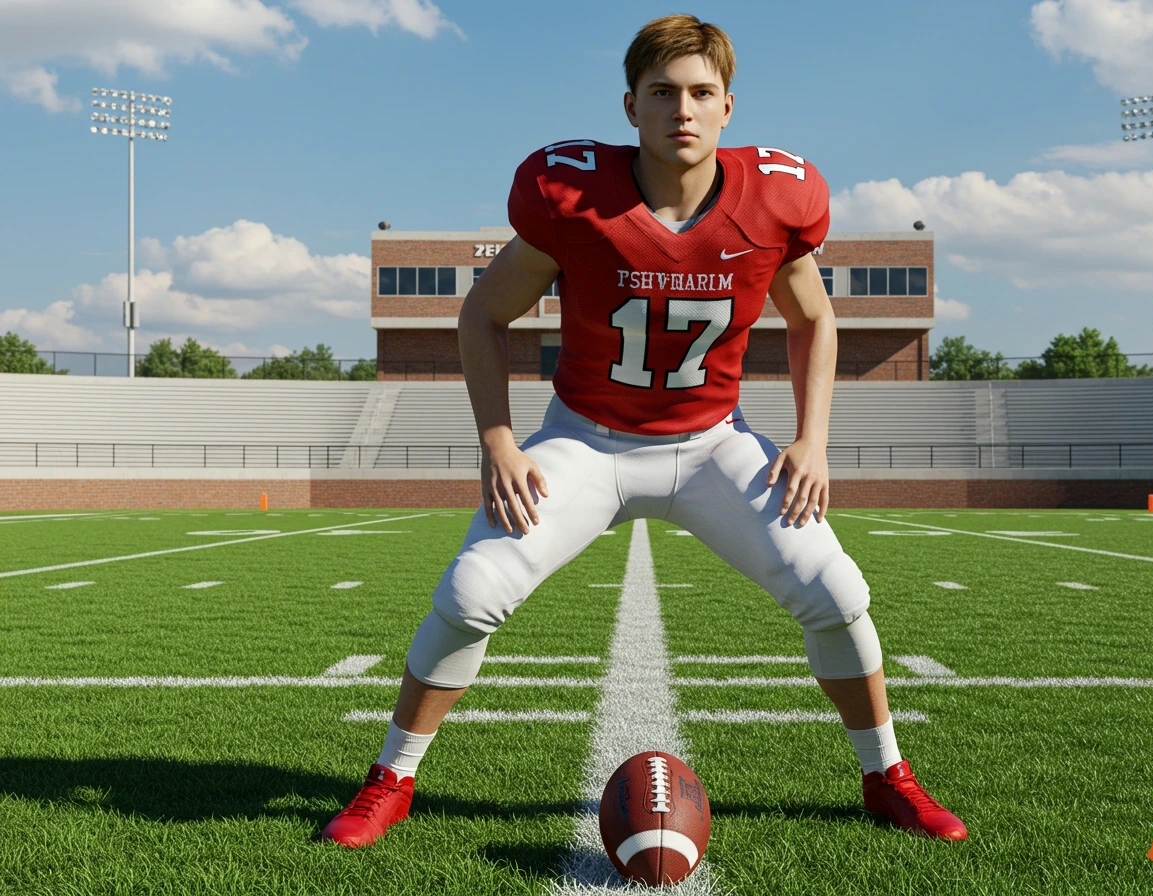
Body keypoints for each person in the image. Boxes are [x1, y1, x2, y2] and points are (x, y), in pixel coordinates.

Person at [321, 13, 966, 848]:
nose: (683, 110)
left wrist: (812, 439)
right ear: (630, 106)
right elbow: (483, 311)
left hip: (712, 441)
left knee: (836, 590)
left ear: (730, 107)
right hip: (586, 440)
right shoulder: (574, 194)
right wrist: (498, 443)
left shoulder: (775, 198)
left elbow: (815, 317)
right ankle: (390, 778)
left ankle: (887, 776)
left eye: (701, 93)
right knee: (472, 591)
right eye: (663, 93)